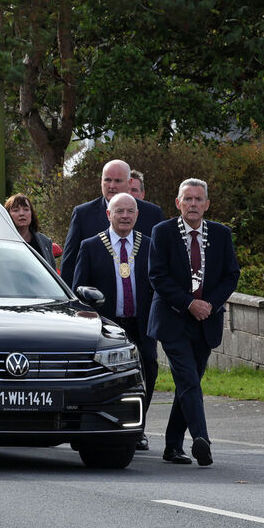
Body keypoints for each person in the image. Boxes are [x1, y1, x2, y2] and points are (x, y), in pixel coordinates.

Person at [148, 178, 239, 467]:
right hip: (173, 319)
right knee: (187, 379)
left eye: (199, 199)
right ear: (178, 203)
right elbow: (158, 276)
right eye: (187, 199)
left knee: (189, 384)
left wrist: (209, 305)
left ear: (207, 204)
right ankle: (202, 440)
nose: (193, 204)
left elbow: (230, 274)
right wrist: (188, 302)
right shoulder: (162, 232)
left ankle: (172, 446)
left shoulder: (222, 235)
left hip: (206, 320)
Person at [72, 192, 157, 450]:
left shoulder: (149, 244)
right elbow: (79, 288)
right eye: (119, 211)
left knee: (148, 369)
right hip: (108, 326)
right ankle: (106, 425)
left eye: (130, 211)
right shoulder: (91, 246)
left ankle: (138, 428)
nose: (125, 216)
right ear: (108, 214)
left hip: (141, 323)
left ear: (137, 215)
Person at [60, 159, 164, 286]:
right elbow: (69, 264)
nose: (112, 186)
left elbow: (162, 263)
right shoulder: (83, 214)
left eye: (118, 181)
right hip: (98, 299)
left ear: (129, 182)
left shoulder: (152, 213)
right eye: (107, 180)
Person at [4, 193, 55, 263]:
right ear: (7, 215)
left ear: (31, 213)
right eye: (16, 210)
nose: (22, 213)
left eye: (26, 209)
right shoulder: (1, 242)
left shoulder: (45, 242)